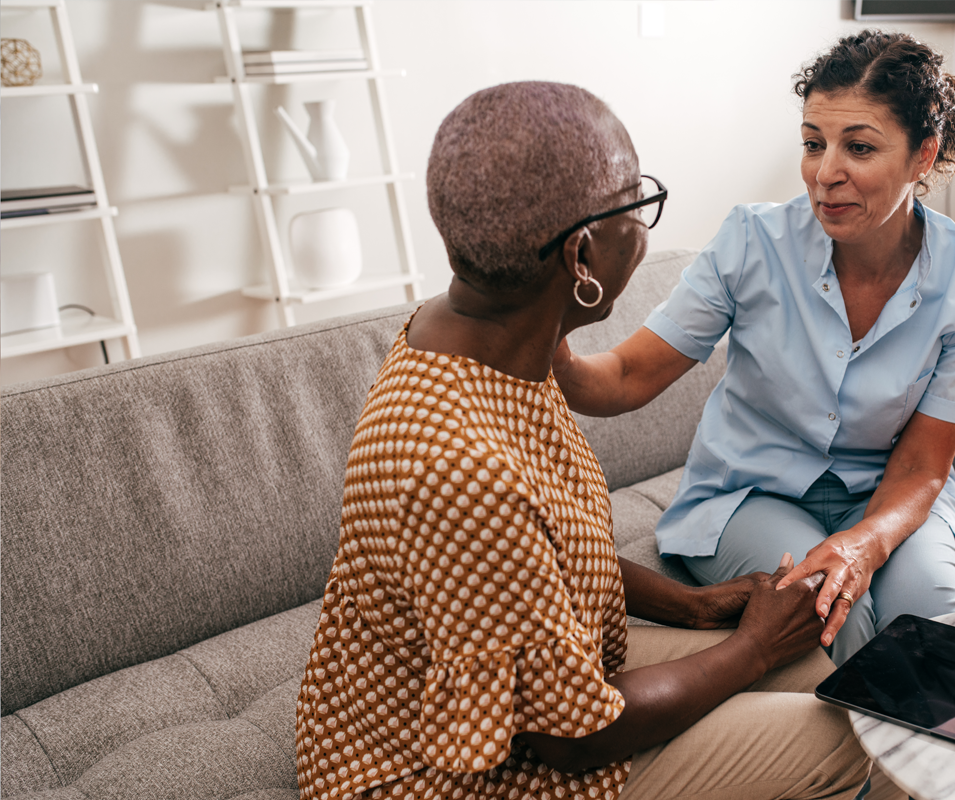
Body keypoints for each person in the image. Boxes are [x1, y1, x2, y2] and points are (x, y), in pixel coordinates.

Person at [294, 81, 871, 800]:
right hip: (440, 772)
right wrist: (750, 650)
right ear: (583, 256)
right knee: (850, 736)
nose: (646, 222)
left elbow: (537, 555)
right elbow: (569, 739)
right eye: (638, 200)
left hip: (527, 684)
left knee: (825, 668)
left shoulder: (471, 342)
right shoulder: (465, 470)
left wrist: (698, 607)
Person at [554, 30, 955, 666]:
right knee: (827, 615)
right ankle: (857, 769)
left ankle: (929, 766)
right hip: (749, 495)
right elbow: (627, 374)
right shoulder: (751, 241)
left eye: (859, 147)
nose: (826, 174)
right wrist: (543, 333)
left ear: (923, 155)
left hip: (885, 490)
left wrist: (864, 542)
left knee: (930, 621)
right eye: (813, 144)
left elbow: (922, 467)